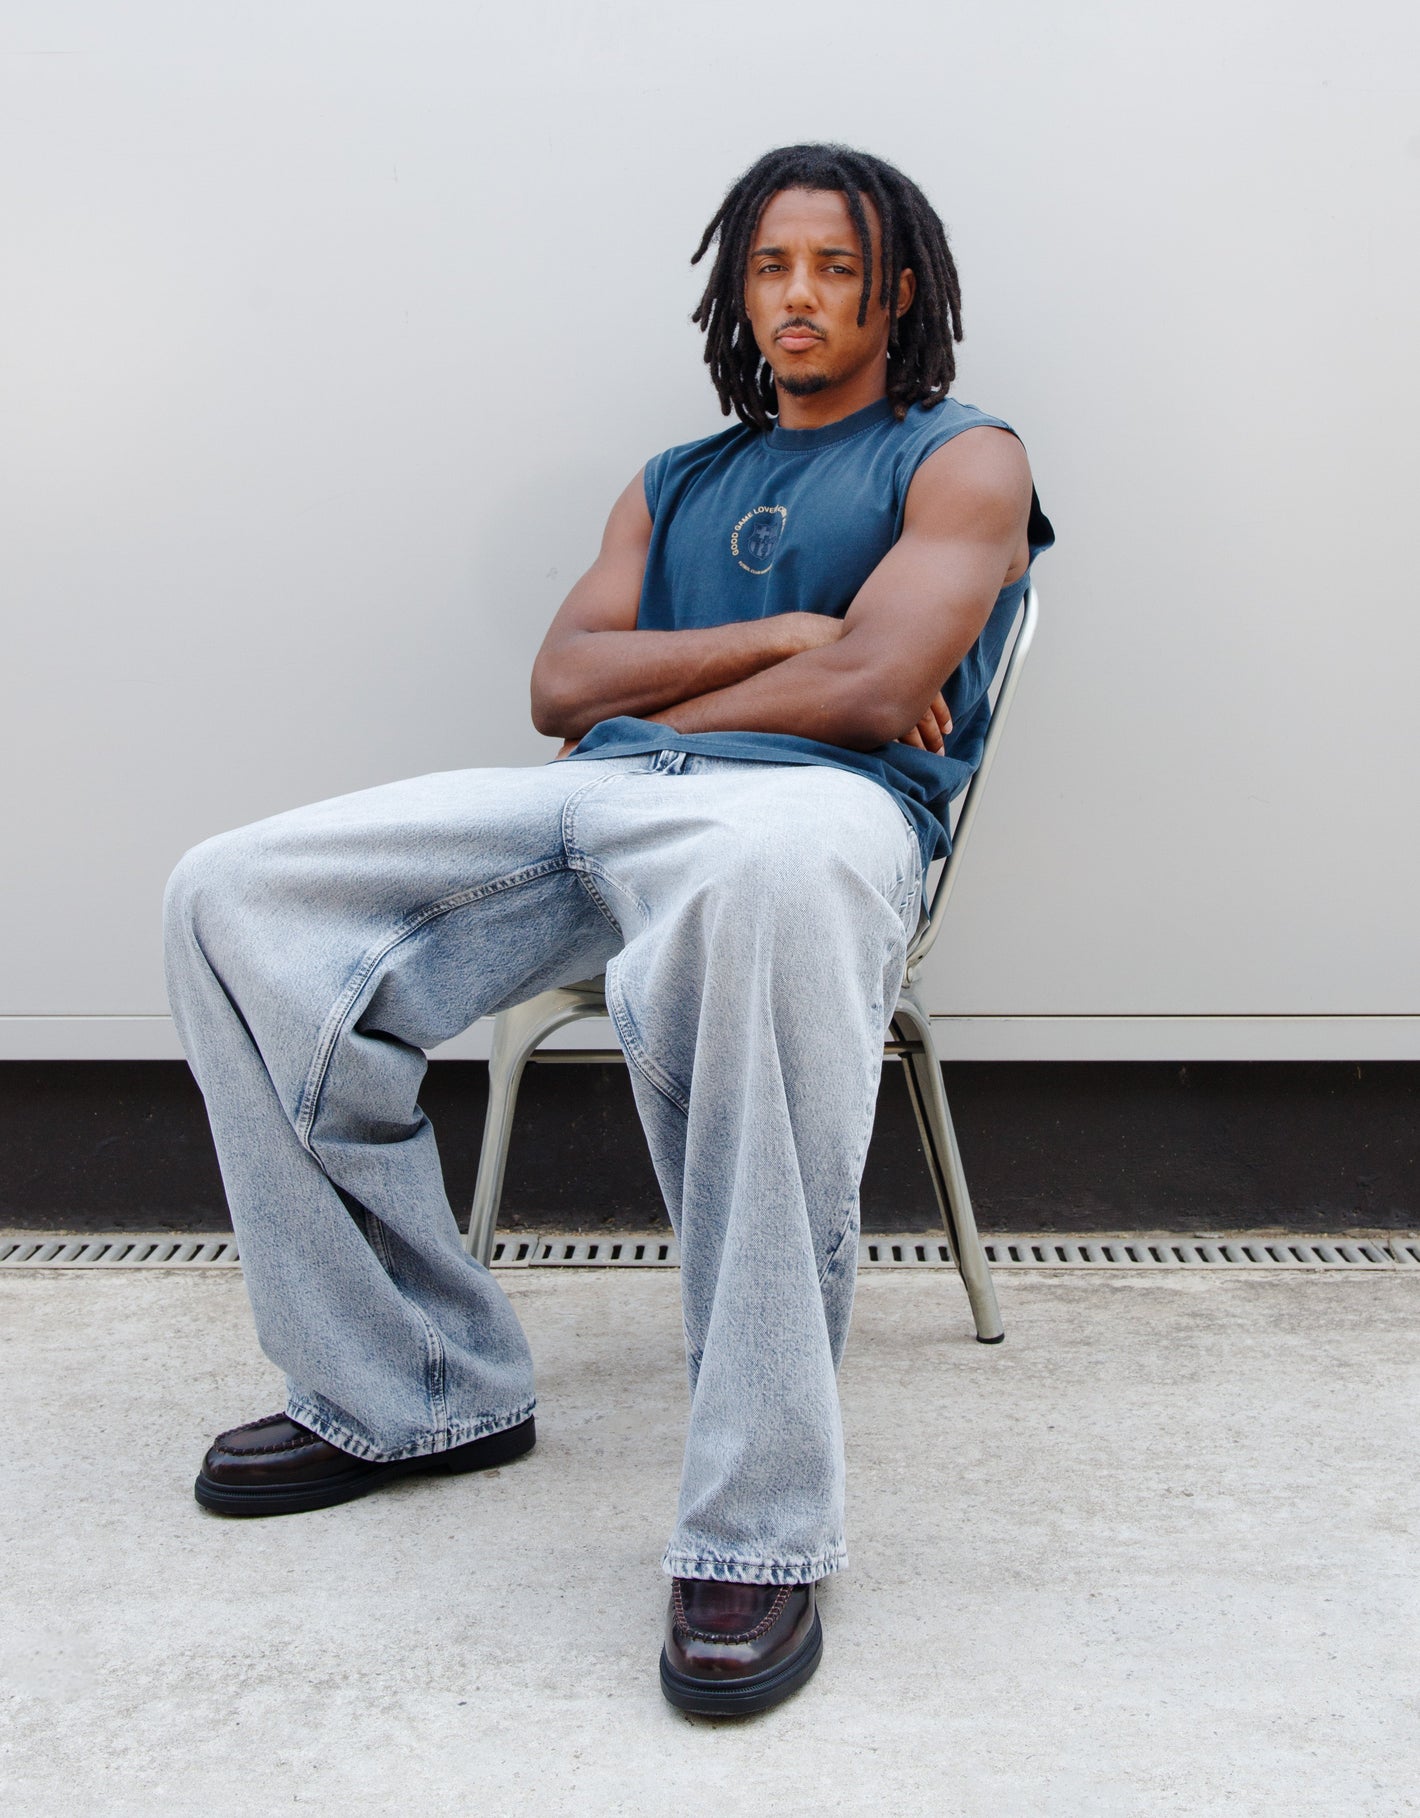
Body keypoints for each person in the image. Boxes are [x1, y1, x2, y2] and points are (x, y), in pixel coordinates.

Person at [164, 142, 1053, 1716]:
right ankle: (413, 1385)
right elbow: (558, 692)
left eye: (837, 268)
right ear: (736, 288)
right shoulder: (673, 480)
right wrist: (795, 631)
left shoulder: (964, 458)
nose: (799, 295)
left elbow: (869, 702)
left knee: (763, 892)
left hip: (810, 825)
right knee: (233, 895)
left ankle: (760, 1528)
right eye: (774, 266)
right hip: (606, 806)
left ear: (895, 289)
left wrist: (705, 677)